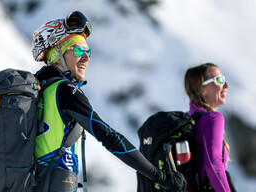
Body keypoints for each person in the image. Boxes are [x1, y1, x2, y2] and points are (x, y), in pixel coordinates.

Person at [31, 11, 187, 192]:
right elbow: (110, 138)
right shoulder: (64, 91)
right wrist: (160, 177)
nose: (87, 57)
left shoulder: (38, 88)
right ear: (56, 55)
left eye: (88, 51)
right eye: (79, 50)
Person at [184, 63, 232, 191]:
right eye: (220, 80)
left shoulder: (185, 120)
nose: (226, 85)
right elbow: (213, 165)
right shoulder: (213, 118)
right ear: (202, 89)